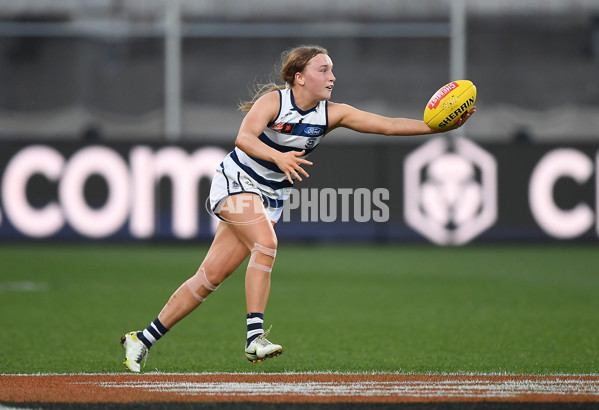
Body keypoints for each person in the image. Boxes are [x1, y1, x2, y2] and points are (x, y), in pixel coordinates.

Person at [121, 44, 475, 372]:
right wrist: (278, 156)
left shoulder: (332, 113)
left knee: (209, 278)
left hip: (270, 197)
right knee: (267, 244)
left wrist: (438, 126)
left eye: (332, 70)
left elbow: (388, 125)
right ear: (299, 77)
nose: (332, 77)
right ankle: (254, 338)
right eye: (323, 70)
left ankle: (142, 339)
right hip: (237, 182)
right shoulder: (274, 102)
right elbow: (243, 138)